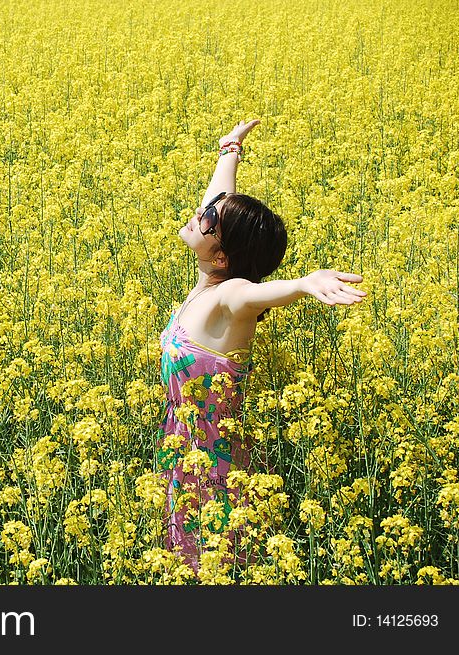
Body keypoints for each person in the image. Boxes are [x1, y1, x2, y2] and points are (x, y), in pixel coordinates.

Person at [155, 119, 367, 575]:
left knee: (215, 570)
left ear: (222, 257)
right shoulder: (207, 279)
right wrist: (229, 150)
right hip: (184, 453)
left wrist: (306, 284)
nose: (200, 214)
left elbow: (257, 292)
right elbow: (218, 201)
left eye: (209, 220)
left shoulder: (230, 298)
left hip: (216, 470)